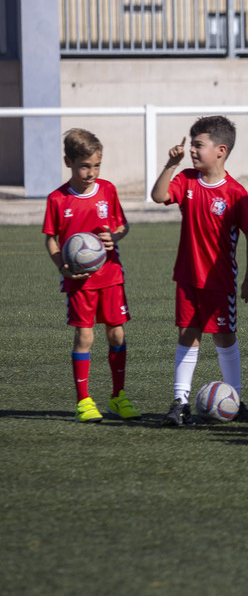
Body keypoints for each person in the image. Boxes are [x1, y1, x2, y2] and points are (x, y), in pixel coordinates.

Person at [151, 115, 248, 426]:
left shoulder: (235, 192)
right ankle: (180, 401)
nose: (193, 151)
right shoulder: (185, 179)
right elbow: (159, 196)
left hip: (220, 281)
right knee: (188, 335)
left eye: (199, 145)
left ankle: (235, 400)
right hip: (187, 277)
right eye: (192, 145)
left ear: (221, 150)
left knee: (224, 337)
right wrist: (170, 164)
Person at [43, 128, 138, 422]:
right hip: (79, 281)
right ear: (68, 162)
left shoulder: (108, 190)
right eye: (85, 166)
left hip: (111, 275)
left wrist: (115, 237)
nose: (91, 172)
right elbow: (50, 238)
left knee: (117, 333)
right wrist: (62, 266)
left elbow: (122, 226)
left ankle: (118, 396)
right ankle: (83, 401)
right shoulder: (58, 199)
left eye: (96, 165)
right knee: (85, 337)